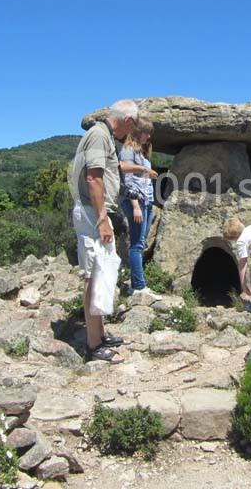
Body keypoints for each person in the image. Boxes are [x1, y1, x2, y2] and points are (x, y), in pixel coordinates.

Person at [68, 99, 138, 362]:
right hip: (92, 213)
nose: (128, 134)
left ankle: (100, 332)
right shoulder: (98, 136)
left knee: (103, 274)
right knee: (94, 276)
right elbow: (93, 178)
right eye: (131, 128)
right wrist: (102, 218)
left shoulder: (103, 135)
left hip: (95, 213)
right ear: (127, 120)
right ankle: (93, 344)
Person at [119, 117, 159, 293]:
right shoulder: (128, 151)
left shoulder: (142, 153)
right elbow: (127, 180)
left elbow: (141, 179)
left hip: (147, 201)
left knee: (140, 243)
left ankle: (136, 282)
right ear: (137, 131)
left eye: (150, 133)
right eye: (146, 132)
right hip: (137, 201)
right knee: (136, 244)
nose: (148, 136)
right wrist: (135, 205)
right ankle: (139, 286)